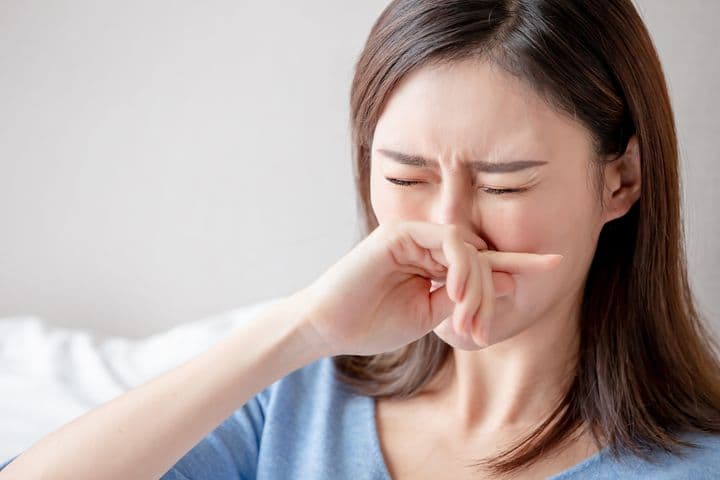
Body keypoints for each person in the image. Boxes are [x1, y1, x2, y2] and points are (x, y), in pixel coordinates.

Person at [2, 0, 720, 478]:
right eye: (406, 177)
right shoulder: (296, 403)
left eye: (504, 184)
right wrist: (303, 327)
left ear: (620, 181)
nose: (448, 228)